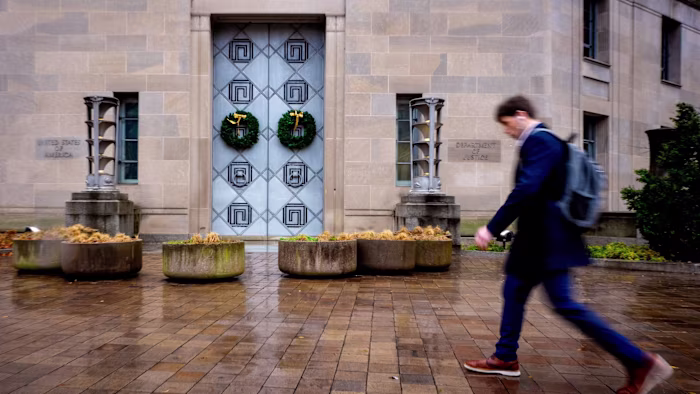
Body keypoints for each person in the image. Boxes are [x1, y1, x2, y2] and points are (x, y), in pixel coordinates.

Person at [463, 95, 673, 394]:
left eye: (508, 125)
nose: (507, 132)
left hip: (548, 240)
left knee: (565, 304)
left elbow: (528, 188)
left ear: (521, 115)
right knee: (514, 289)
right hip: (537, 239)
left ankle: (641, 362)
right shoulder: (544, 143)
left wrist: (492, 227)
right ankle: (505, 357)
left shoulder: (541, 142)